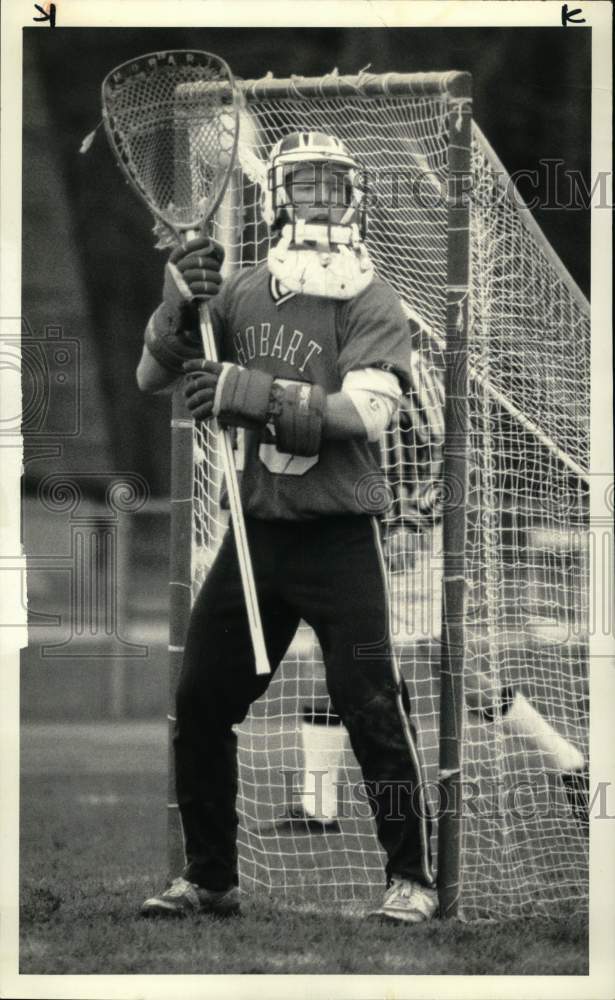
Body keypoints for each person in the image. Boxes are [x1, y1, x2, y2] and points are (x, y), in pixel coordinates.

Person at [137, 131, 437, 924]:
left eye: (329, 185)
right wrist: (175, 300)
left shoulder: (372, 299)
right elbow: (151, 375)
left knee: (369, 703)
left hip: (340, 538)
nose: (315, 198)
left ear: (352, 196)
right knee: (201, 700)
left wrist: (250, 390)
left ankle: (411, 878)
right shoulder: (237, 294)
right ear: (277, 197)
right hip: (255, 533)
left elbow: (362, 415)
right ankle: (209, 879)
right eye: (301, 184)